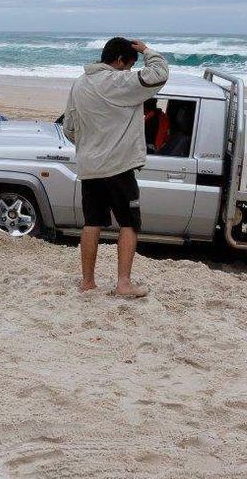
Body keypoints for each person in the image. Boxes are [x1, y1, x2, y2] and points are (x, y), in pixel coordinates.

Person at [63, 37, 169, 298]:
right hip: (119, 167)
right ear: (120, 61)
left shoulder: (80, 83)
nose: (130, 70)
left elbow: (69, 128)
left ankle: (87, 282)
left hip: (90, 167)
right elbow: (159, 74)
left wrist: (90, 145)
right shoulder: (119, 81)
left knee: (92, 223)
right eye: (130, 65)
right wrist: (146, 50)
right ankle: (123, 283)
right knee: (129, 224)